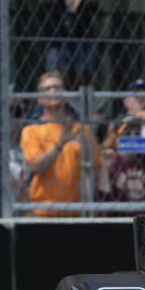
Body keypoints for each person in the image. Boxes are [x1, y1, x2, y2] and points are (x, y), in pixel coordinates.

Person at [20, 70, 99, 215]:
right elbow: (35, 165)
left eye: (57, 87)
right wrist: (59, 145)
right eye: (47, 88)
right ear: (39, 98)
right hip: (43, 210)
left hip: (77, 211)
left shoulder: (82, 129)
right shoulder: (31, 131)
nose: (53, 91)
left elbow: (94, 169)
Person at [96, 120, 145, 205]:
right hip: (121, 216)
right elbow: (104, 199)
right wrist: (105, 169)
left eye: (137, 134)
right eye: (127, 133)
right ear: (117, 138)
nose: (133, 138)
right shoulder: (112, 161)